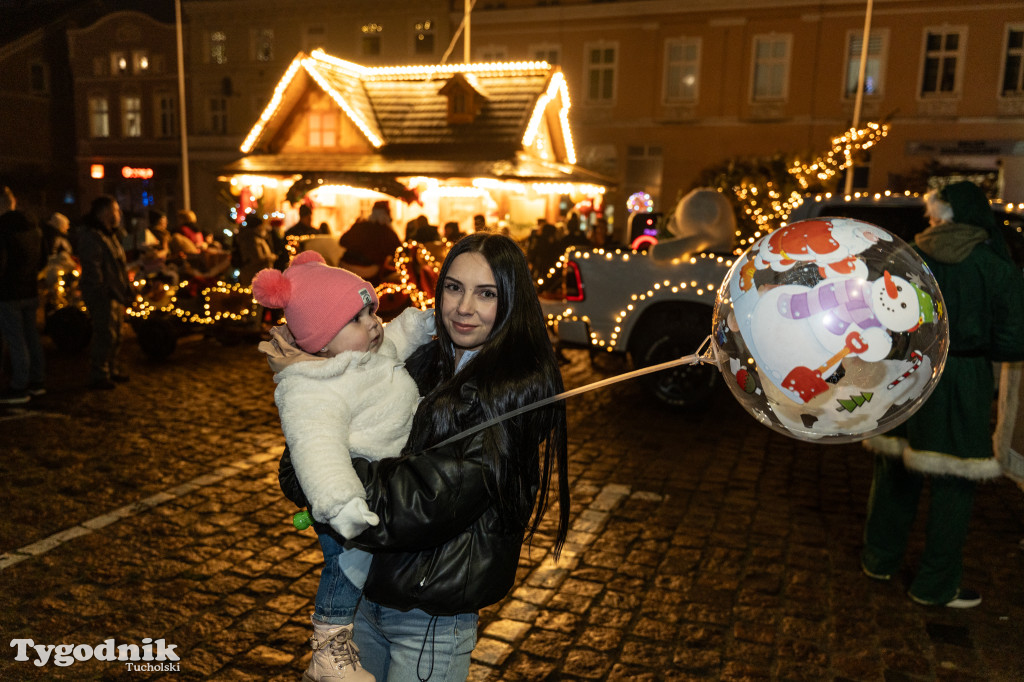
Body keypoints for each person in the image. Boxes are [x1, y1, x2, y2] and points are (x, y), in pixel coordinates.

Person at [280, 232, 571, 680]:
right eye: (454, 287)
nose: (464, 307)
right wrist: (313, 414)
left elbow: (419, 503)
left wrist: (326, 476)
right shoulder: (423, 358)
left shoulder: (512, 393)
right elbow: (303, 453)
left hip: (427, 619)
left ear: (512, 301)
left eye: (486, 293)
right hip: (367, 597)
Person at [253, 251, 435, 682]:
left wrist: (419, 324)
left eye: (371, 311)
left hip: (377, 488)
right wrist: (342, 505)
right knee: (346, 566)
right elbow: (317, 449)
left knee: (358, 565)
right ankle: (328, 646)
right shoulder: (311, 388)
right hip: (346, 498)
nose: (372, 323)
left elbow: (395, 337)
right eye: (356, 318)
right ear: (321, 340)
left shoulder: (364, 349)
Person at [861, 181, 1024, 608]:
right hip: (962, 379)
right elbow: (1012, 342)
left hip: (905, 370)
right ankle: (934, 585)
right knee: (955, 479)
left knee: (894, 469)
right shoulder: (995, 266)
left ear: (938, 214)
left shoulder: (907, 256)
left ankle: (879, 559)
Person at [77, 195, 132, 390]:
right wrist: (101, 290)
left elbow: (119, 266)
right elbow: (93, 268)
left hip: (113, 292)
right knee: (105, 334)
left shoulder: (110, 235)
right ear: (104, 212)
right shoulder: (92, 236)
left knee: (116, 333)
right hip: (103, 293)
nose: (119, 214)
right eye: (116, 210)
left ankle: (111, 368)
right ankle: (99, 373)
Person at [0, 187, 48, 404]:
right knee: (31, 337)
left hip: (8, 293)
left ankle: (19, 386)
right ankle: (37, 381)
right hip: (29, 289)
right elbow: (43, 259)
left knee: (16, 340)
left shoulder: (2, 229)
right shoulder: (33, 226)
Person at [338, 201, 402, 285]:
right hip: (369, 270)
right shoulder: (387, 232)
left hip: (345, 265)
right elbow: (398, 251)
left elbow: (342, 241)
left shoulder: (359, 226)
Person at [234, 214, 277, 286]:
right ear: (258, 226)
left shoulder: (251, 237)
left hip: (252, 274)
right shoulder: (252, 239)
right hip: (255, 275)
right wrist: (272, 257)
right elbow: (257, 258)